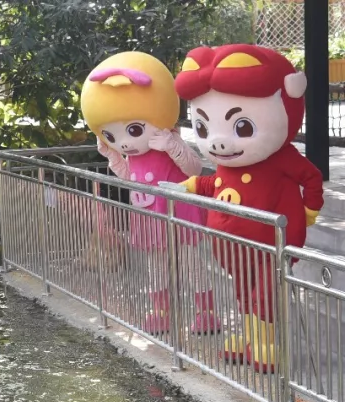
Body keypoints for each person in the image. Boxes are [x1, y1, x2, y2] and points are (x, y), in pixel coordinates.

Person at [163, 44, 324, 372]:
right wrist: (188, 186)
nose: (218, 141)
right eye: (204, 129)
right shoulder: (227, 162)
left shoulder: (281, 157)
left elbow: (311, 178)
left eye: (242, 127)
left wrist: (310, 211)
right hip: (234, 247)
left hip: (270, 244)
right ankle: (250, 338)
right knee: (243, 293)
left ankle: (266, 342)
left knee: (265, 294)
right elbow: (216, 184)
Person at [81, 51, 221, 336]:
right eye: (112, 135)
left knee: (191, 264)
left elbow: (194, 168)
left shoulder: (168, 140)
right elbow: (129, 178)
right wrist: (112, 155)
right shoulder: (132, 153)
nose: (124, 142)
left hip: (178, 214)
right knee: (155, 268)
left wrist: (171, 145)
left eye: (133, 130)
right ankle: (161, 312)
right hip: (147, 217)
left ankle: (206, 313)